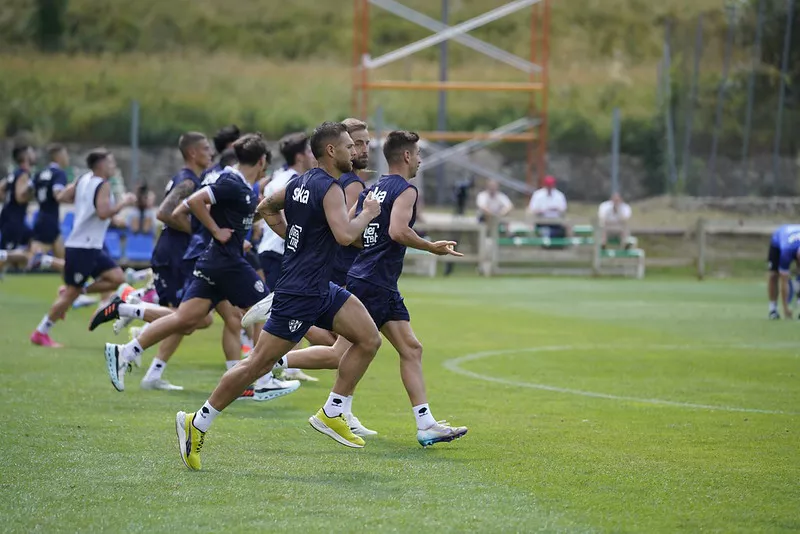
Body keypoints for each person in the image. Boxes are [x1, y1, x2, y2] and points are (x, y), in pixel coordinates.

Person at [175, 121, 383, 471]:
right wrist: (367, 213)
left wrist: (293, 238)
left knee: (368, 338)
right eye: (349, 146)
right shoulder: (331, 189)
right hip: (300, 292)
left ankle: (332, 411)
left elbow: (266, 207)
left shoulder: (297, 183)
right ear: (331, 151)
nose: (355, 152)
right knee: (257, 364)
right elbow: (346, 235)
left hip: (319, 287)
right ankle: (197, 422)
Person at [277, 131, 468, 447]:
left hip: (373, 278)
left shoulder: (374, 188)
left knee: (410, 348)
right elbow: (397, 230)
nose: (420, 159)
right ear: (406, 157)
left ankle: (425, 424)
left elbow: (354, 234)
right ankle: (288, 375)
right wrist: (430, 246)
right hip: (376, 281)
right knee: (344, 352)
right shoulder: (407, 190)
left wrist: (370, 247)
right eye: (418, 154)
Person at [102, 133, 273, 394]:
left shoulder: (240, 186)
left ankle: (125, 351)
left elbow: (235, 213)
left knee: (187, 318)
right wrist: (214, 231)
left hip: (214, 260)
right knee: (265, 307)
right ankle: (263, 379)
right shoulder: (231, 182)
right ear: (262, 161)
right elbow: (191, 203)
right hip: (224, 260)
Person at [30, 149, 136, 347]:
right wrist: (124, 202)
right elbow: (103, 213)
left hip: (90, 245)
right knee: (72, 292)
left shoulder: (82, 179)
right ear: (101, 165)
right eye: (111, 162)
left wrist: (85, 203)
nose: (113, 166)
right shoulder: (103, 184)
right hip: (83, 246)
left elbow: (62, 196)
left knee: (117, 278)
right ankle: (40, 332)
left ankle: (78, 291)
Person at [29, 144, 70, 271]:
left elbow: (28, 190)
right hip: (50, 219)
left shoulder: (40, 173)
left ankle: (73, 288)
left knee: (64, 262)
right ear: (58, 156)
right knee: (31, 260)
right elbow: (57, 194)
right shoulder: (59, 173)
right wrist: (73, 196)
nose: (67, 158)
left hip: (42, 216)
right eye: (65, 154)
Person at [1, 145, 36, 262]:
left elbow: (1, 188)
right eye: (31, 152)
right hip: (14, 219)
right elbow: (19, 198)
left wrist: (7, 200)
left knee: (33, 241)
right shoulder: (23, 174)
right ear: (26, 156)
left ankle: (30, 264)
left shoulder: (14, 173)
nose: (34, 155)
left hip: (8, 215)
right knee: (6, 253)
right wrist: (31, 192)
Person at [766, 224, 800, 320]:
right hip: (778, 240)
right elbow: (783, 281)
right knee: (774, 275)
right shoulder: (786, 251)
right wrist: (786, 309)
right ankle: (773, 309)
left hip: (793, 237)